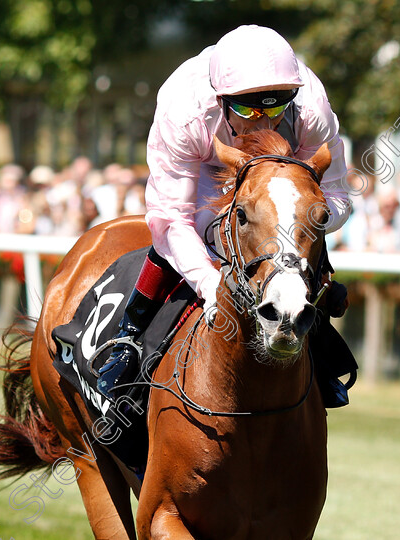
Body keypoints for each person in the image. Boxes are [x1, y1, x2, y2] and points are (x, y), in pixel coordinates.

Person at [96, 25, 353, 407]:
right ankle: (129, 338)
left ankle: (321, 349)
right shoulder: (185, 113)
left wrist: (296, 218)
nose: (262, 123)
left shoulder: (311, 109)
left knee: (294, 231)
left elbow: (336, 197)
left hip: (282, 169)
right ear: (221, 101)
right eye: (247, 110)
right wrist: (210, 283)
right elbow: (171, 219)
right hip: (205, 161)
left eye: (275, 108)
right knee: (205, 232)